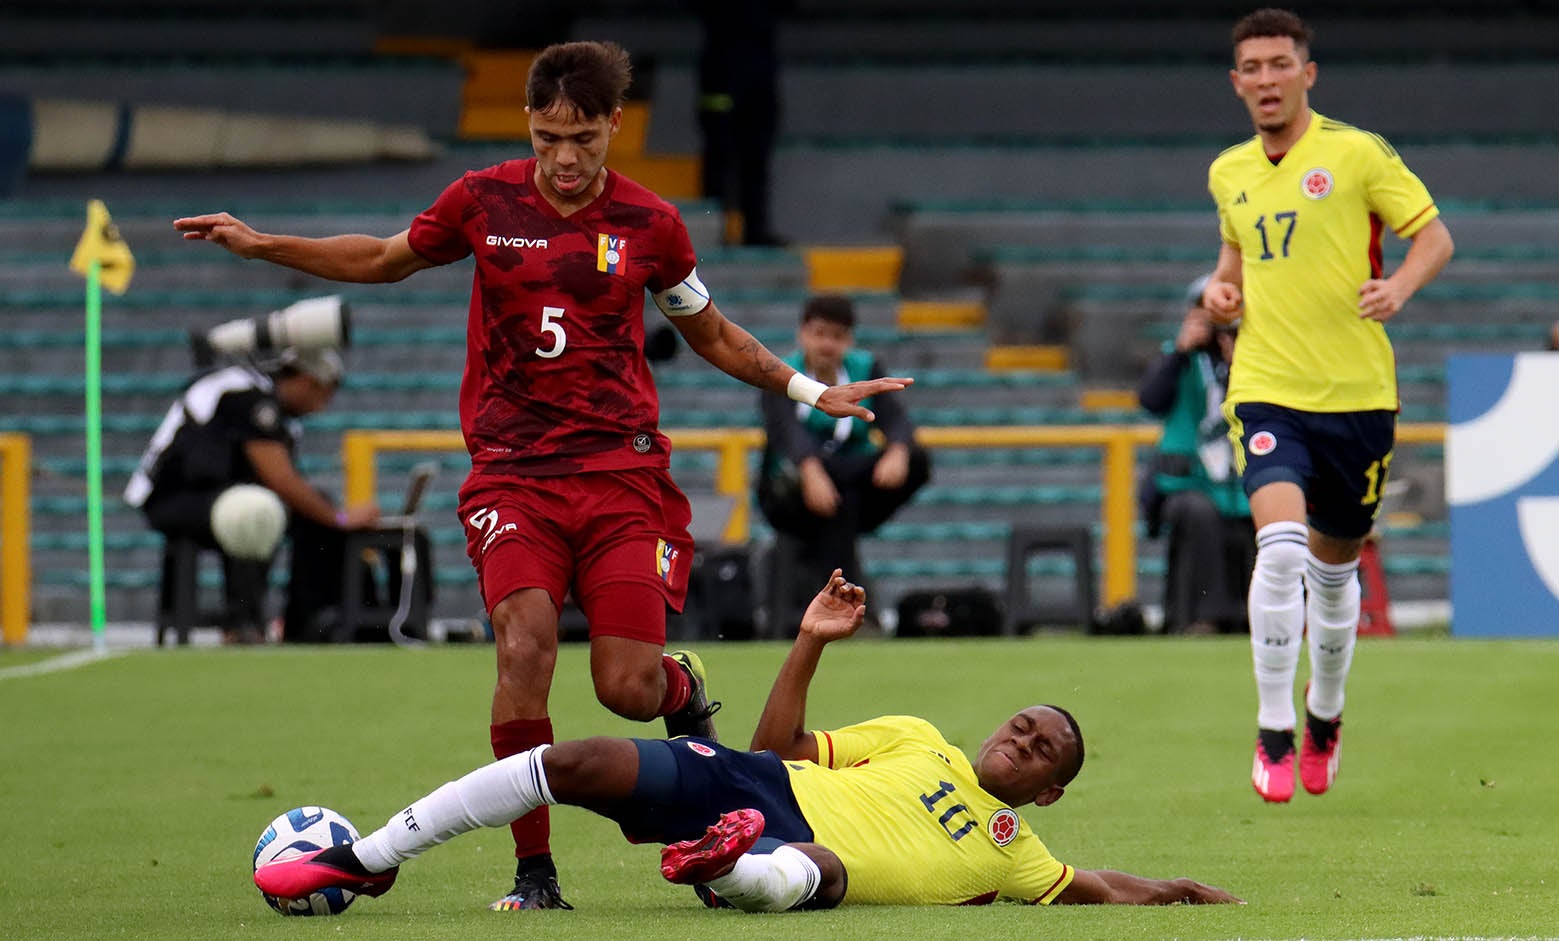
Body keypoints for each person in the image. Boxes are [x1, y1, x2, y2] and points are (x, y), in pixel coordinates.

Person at [173, 41, 910, 910]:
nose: (564, 158)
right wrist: (263, 247)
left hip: (619, 479)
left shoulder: (650, 226)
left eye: (583, 138)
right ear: (529, 123)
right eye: (547, 135)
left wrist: (808, 387)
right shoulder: (481, 201)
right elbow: (380, 258)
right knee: (523, 646)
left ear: (613, 128)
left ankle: (680, 689)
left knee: (625, 690)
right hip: (513, 476)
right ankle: (535, 872)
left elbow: (710, 333)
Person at [255, 571, 1242, 911]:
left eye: (1039, 753)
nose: (1017, 742)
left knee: (805, 866)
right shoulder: (917, 738)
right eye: (1020, 724)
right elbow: (777, 747)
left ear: (1047, 794)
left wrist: (1184, 889)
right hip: (753, 783)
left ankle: (727, 864)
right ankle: (371, 859)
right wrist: (808, 643)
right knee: (575, 761)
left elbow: (1099, 886)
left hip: (812, 855)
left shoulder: (1017, 852)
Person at [1200, 9, 1454, 803]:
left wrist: (1397, 288)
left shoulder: (1355, 154)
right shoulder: (1227, 171)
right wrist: (1219, 290)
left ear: (1307, 74)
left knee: (1333, 573)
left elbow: (1435, 237)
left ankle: (1324, 714)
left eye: (1281, 64)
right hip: (1267, 385)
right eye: (1252, 67)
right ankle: (1273, 726)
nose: (1266, 79)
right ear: (1236, 80)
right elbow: (1232, 262)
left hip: (1356, 396)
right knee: (1278, 550)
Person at [124, 346, 381, 644]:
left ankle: (311, 624)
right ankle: (242, 624)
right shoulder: (246, 394)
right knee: (256, 510)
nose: (321, 407)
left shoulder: (264, 398)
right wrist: (339, 518)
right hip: (176, 497)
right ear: (306, 382)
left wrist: (331, 516)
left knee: (309, 509)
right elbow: (280, 480)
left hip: (217, 497)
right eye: (323, 395)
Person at [757, 294, 930, 630]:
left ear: (848, 340)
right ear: (802, 334)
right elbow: (786, 432)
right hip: (789, 492)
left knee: (916, 460)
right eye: (819, 334)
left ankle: (840, 609)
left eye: (836, 337)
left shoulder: (864, 370)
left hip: (844, 485)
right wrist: (810, 468)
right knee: (840, 495)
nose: (827, 344)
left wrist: (897, 449)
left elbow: (896, 419)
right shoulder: (782, 375)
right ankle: (851, 611)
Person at [1136, 275, 1253, 635]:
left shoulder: (1252, 358)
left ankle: (1254, 616)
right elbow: (1150, 400)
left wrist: (1241, 367)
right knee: (1199, 514)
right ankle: (1203, 617)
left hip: (1241, 480)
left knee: (1266, 514)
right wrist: (1180, 351)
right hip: (1188, 481)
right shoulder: (1181, 358)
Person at [692, 0, 792, 246]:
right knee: (718, 157)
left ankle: (755, 229)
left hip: (758, 71)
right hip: (722, 71)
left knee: (757, 157)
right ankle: (712, 233)